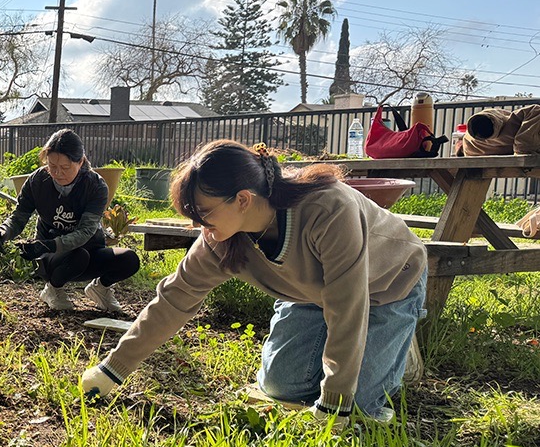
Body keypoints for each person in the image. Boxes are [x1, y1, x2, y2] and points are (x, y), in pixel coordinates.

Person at [81, 140, 428, 428]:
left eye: (204, 213)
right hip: (309, 294)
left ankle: (398, 347)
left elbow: (348, 306)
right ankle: (368, 350)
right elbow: (173, 300)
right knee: (280, 387)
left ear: (243, 199)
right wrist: (112, 370)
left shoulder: (328, 209)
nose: (199, 226)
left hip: (383, 286)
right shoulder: (220, 237)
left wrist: (335, 403)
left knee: (359, 407)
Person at [0, 128, 140, 312]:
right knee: (77, 256)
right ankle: (52, 289)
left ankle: (100, 288)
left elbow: (85, 232)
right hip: (54, 259)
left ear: (81, 162)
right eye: (52, 166)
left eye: (65, 168)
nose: (57, 173)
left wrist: (47, 244)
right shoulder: (37, 181)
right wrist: (3, 232)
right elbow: (19, 216)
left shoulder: (95, 186)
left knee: (129, 260)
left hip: (88, 250)